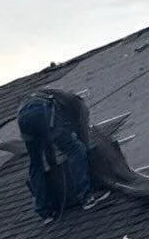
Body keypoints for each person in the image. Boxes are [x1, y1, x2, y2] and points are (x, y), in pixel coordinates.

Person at [16, 88, 93, 221]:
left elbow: (48, 146)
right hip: (43, 112)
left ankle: (45, 212)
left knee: (36, 164)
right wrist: (86, 149)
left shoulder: (53, 95)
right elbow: (82, 130)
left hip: (23, 117)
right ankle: (85, 197)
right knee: (76, 149)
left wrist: (54, 163)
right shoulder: (77, 104)